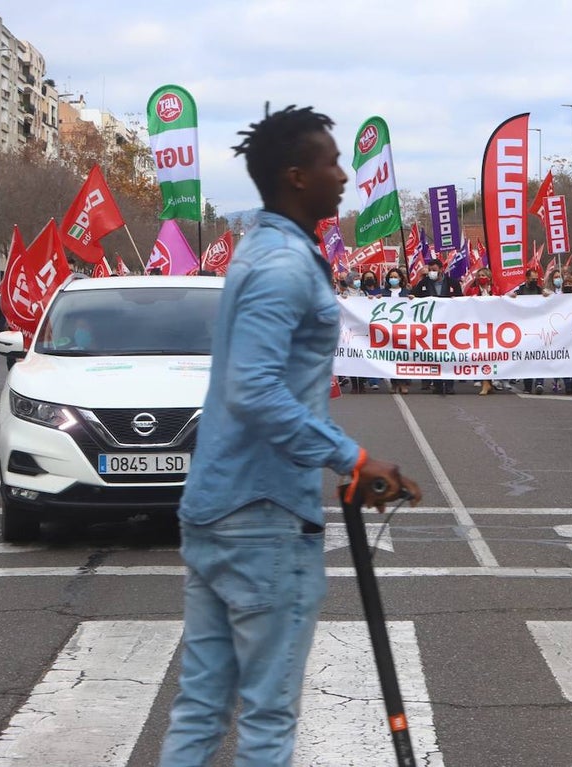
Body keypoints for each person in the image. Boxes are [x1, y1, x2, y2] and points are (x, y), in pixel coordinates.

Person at [159, 104, 422, 767]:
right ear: (296, 176)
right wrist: (352, 458)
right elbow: (254, 388)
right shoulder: (283, 266)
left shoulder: (265, 251)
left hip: (220, 506)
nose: (344, 175)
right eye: (331, 162)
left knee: (200, 706)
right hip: (263, 518)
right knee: (268, 718)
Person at [412, 258, 460, 393]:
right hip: (430, 325)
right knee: (435, 356)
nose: (432, 272)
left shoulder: (453, 283)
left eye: (434, 270)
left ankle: (449, 385)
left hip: (449, 324)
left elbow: (461, 299)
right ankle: (438, 385)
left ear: (441, 269)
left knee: (448, 356)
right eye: (430, 270)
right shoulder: (423, 283)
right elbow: (415, 298)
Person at [466, 268, 499, 395]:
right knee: (482, 354)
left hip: (493, 326)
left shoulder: (496, 290)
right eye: (479, 275)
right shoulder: (472, 290)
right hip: (478, 326)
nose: (481, 277)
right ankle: (486, 382)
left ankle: (489, 382)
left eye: (483, 275)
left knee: (491, 354)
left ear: (489, 277)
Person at [515, 268, 546, 394]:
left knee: (540, 356)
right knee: (527, 357)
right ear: (526, 279)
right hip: (524, 328)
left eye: (536, 279)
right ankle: (527, 385)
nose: (534, 281)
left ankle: (539, 383)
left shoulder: (540, 290)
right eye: (532, 279)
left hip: (539, 328)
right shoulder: (520, 291)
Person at [382, 267, 411, 395]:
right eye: (391, 277)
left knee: (404, 356)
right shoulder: (384, 293)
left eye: (396, 277)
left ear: (400, 278)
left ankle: (404, 383)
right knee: (392, 356)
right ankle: (394, 383)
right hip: (388, 328)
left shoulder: (406, 292)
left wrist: (412, 299)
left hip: (403, 328)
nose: (393, 279)